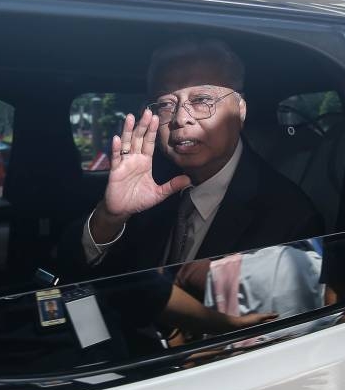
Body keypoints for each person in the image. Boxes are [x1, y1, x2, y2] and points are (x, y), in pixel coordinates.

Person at [72, 37, 324, 281]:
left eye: (202, 100)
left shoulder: (289, 216)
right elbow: (75, 276)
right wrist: (110, 218)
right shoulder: (148, 178)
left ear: (241, 110)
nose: (181, 118)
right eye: (166, 104)